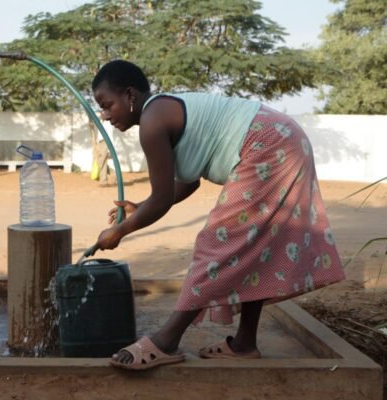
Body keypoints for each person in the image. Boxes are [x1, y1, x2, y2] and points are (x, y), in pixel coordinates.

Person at [90, 59, 346, 370]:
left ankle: (166, 341)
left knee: (218, 241)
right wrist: (139, 207)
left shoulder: (153, 121)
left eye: (107, 105)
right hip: (282, 137)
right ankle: (244, 344)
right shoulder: (163, 110)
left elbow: (160, 201)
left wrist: (120, 231)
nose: (105, 115)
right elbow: (186, 182)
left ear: (130, 95)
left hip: (267, 143)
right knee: (257, 245)